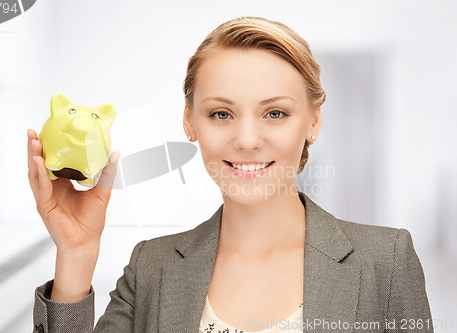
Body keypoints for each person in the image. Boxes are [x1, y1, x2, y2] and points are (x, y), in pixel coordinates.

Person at [27, 16, 434, 333]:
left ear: (313, 121)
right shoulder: (151, 267)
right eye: (221, 114)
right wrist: (76, 255)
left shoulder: (387, 261)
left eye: (275, 113)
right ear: (190, 122)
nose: (247, 139)